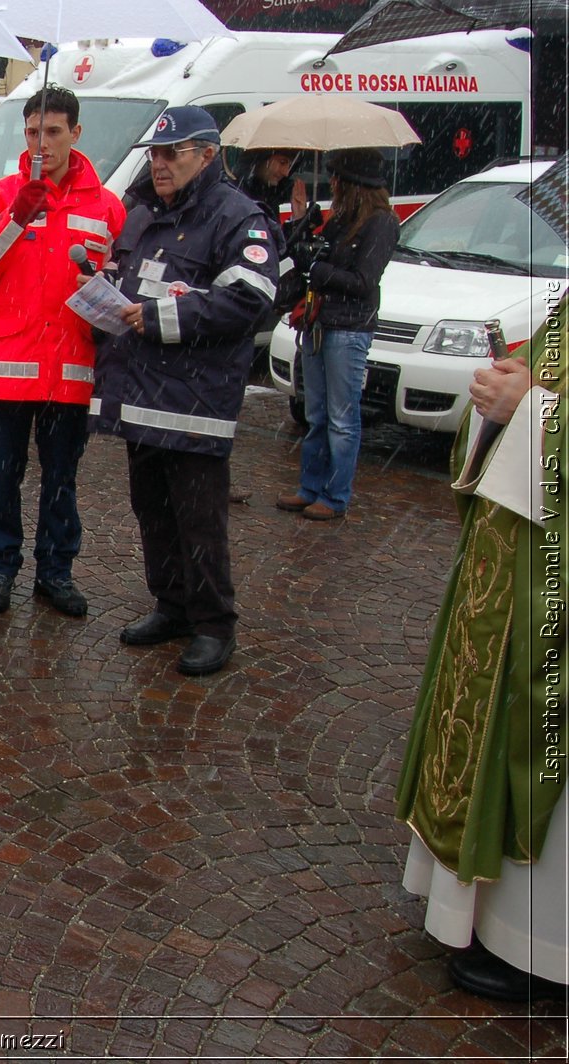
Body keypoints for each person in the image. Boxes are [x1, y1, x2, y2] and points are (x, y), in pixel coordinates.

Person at [397, 296, 566, 1003]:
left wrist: (533, 412)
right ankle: (489, 916)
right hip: (516, 557)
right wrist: (500, 400)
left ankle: (549, 954)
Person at [91, 106, 278, 677]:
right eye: (155, 152)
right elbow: (132, 282)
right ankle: (170, 604)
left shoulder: (238, 217)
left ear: (207, 154)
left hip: (196, 401)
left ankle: (214, 624)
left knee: (199, 519)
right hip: (143, 391)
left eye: (173, 153)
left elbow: (251, 298)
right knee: (152, 511)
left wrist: (162, 317)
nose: (161, 163)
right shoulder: (146, 214)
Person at [0, 86, 125, 617]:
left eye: (52, 132)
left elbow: (121, 280)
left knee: (62, 480)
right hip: (7, 367)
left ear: (76, 133)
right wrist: (16, 218)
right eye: (32, 133)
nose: (40, 144)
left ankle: (55, 572)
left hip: (71, 366)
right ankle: (0, 568)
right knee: (3, 474)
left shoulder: (107, 206)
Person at [275, 148, 399, 521]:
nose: (332, 183)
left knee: (343, 419)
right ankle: (310, 487)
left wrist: (319, 269)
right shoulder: (342, 218)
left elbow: (363, 281)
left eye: (338, 178)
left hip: (348, 328)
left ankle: (335, 495)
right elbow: (306, 255)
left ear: (353, 184)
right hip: (319, 322)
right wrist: (300, 219)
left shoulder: (381, 222)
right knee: (317, 415)